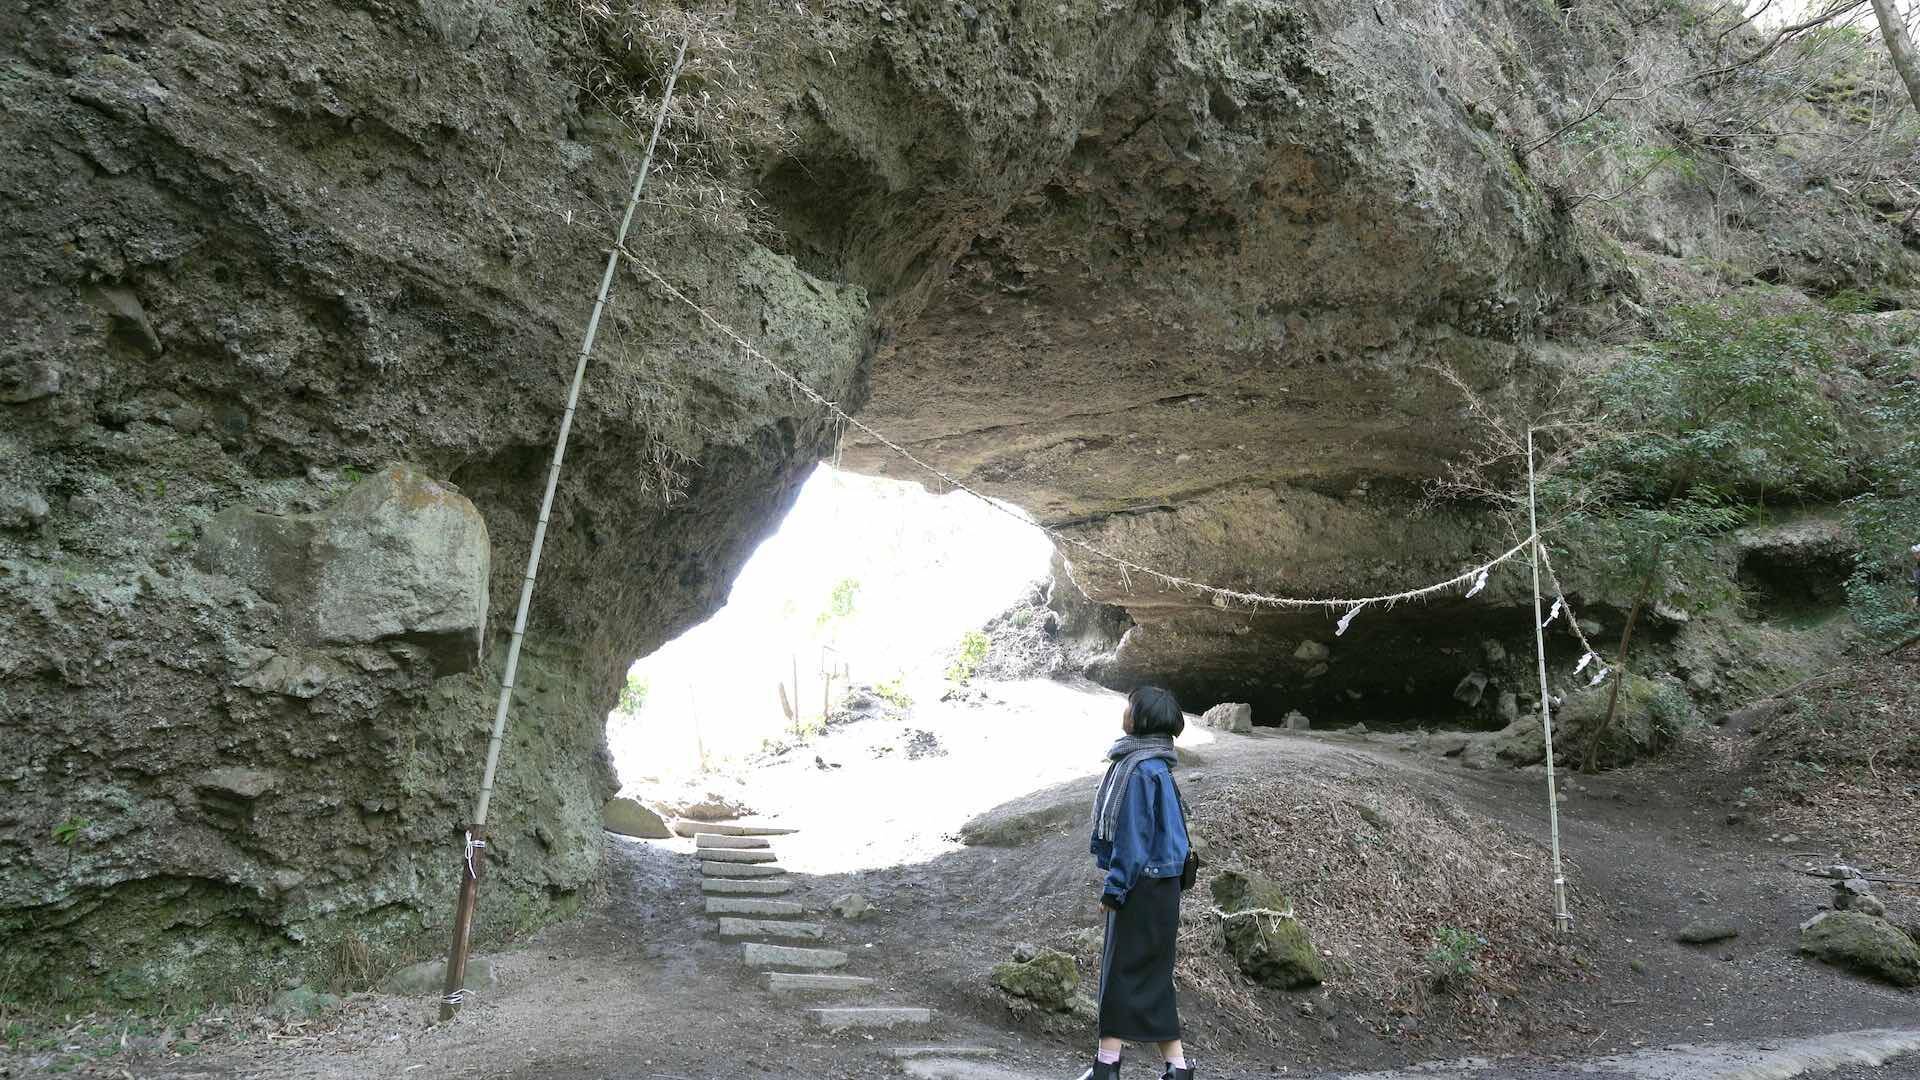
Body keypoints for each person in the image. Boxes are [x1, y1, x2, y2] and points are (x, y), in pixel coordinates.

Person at [1080, 685, 1194, 1080]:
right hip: (1164, 887)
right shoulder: (1159, 764)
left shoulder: (1138, 769)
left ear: (1140, 719)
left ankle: (1106, 1068)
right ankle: (1177, 1068)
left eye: (1129, 706)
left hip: (1142, 885)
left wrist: (1115, 889)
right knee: (1153, 976)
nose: (1124, 711)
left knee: (1119, 974)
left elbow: (1133, 837)